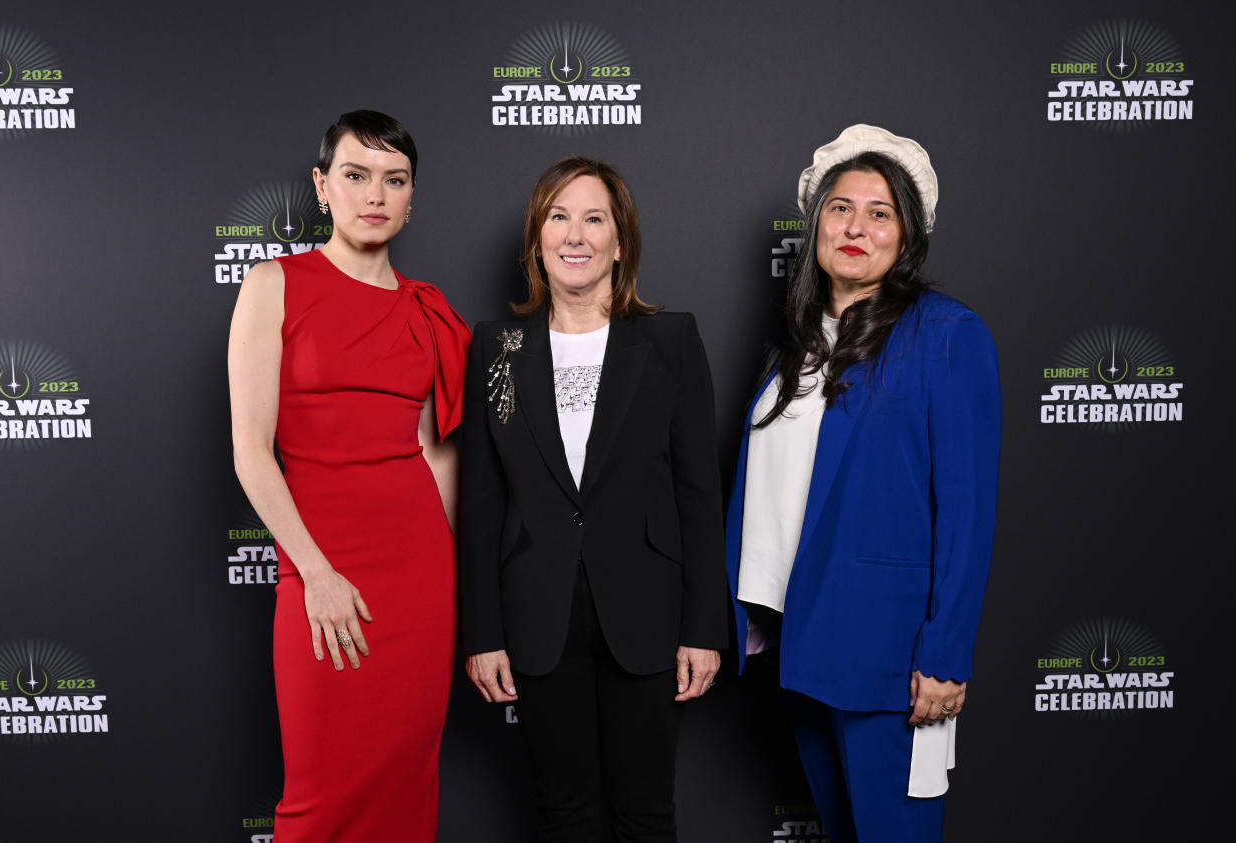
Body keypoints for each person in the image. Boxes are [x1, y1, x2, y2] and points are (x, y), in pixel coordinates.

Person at [726, 124, 1001, 843]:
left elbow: (966, 510)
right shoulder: (797, 340)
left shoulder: (947, 334)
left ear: (907, 236)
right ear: (816, 224)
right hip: (805, 647)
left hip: (892, 659)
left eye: (880, 212)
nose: (856, 226)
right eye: (839, 207)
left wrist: (945, 656)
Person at [460, 156, 728, 843]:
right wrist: (483, 633)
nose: (574, 235)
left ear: (620, 241)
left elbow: (699, 493)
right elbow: (483, 501)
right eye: (558, 217)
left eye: (593, 218)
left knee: (645, 813)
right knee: (562, 813)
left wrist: (703, 625)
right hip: (538, 617)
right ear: (536, 238)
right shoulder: (497, 348)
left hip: (645, 612)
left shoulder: (669, 340)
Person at [228, 110, 470, 842]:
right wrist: (317, 573)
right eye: (356, 175)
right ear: (322, 186)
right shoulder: (274, 283)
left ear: (410, 196)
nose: (375, 194)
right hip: (320, 565)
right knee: (319, 794)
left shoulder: (426, 310)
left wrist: (450, 579)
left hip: (418, 576)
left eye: (394, 180)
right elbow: (250, 450)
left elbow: (437, 454)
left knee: (406, 778)